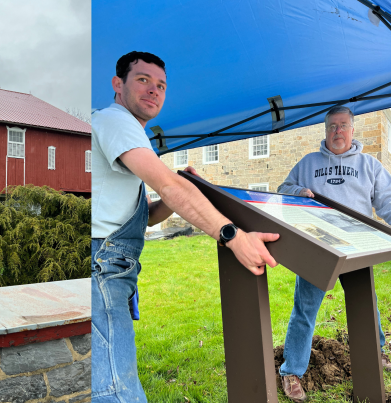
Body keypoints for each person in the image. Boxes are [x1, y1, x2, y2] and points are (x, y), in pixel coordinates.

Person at [91, 51, 281, 403]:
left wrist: (173, 197)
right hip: (101, 271)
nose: (154, 90)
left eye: (161, 85)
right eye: (143, 80)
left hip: (111, 269)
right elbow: (168, 185)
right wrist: (232, 236)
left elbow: (143, 215)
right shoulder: (116, 121)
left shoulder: (126, 132)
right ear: (118, 85)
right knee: (116, 392)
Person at [277, 105, 391, 402]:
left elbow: (387, 202)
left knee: (367, 303)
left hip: (357, 246)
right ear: (325, 131)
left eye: (342, 126)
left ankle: (375, 352)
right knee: (304, 310)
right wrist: (298, 192)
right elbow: (283, 188)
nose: (337, 132)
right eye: (331, 127)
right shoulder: (308, 163)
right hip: (317, 248)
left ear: (353, 130)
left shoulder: (370, 165)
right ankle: (292, 370)